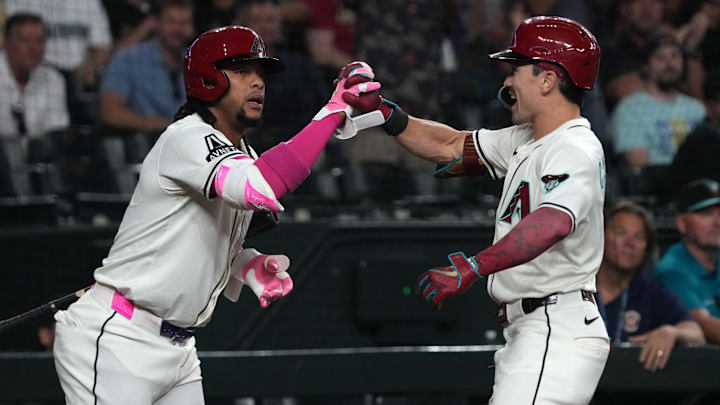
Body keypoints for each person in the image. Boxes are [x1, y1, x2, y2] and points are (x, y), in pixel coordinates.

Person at [51, 25, 379, 403]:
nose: (258, 83)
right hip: (119, 338)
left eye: (261, 74)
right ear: (207, 78)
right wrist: (333, 111)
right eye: (242, 71)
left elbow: (204, 231)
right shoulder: (187, 136)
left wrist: (243, 265)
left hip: (177, 349)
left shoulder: (241, 155)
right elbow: (262, 187)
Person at [343, 16, 609, 404]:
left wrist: (474, 266)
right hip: (535, 327)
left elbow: (551, 223)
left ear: (548, 80)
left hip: (556, 323)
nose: (508, 82)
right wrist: (385, 113)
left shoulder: (573, 148)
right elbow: (450, 144)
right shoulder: (529, 139)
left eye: (516, 70)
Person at [596, 201, 704, 372]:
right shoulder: (576, 290)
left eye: (639, 237)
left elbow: (697, 335)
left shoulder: (653, 296)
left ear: (647, 247)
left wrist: (672, 332)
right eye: (621, 232)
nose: (630, 243)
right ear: (601, 236)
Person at [608, 35, 706, 172]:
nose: (669, 64)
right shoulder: (630, 109)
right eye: (660, 58)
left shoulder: (697, 109)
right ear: (646, 66)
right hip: (656, 187)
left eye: (675, 56)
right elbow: (638, 165)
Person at [99, 0, 195, 135]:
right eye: (172, 22)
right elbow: (109, 112)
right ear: (156, 23)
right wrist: (165, 124)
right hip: (147, 144)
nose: (178, 30)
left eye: (184, 23)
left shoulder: (195, 60)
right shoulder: (130, 59)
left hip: (191, 141)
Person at [655, 179, 720, 344]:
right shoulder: (672, 270)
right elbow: (702, 324)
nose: (717, 222)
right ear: (681, 222)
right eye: (706, 214)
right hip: (696, 365)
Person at [0, 13, 69, 140]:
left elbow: (55, 135)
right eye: (25, 40)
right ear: (6, 43)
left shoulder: (53, 79)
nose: (33, 48)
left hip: (39, 158)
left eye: (39, 41)